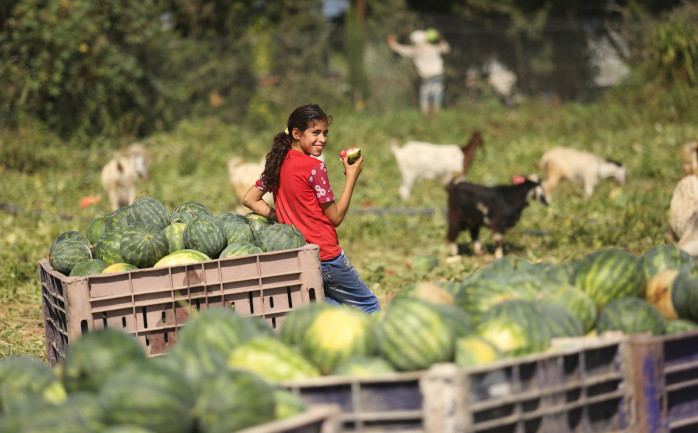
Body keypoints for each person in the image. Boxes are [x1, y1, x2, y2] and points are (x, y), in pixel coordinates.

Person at [242, 104, 381, 313]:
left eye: (325, 133)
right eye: (315, 132)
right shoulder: (315, 167)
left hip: (299, 255)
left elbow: (250, 199)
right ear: (296, 134)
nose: (322, 139)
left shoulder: (277, 162)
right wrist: (352, 177)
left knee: (333, 310)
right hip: (326, 254)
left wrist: (282, 218)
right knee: (369, 306)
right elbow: (336, 217)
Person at [387, 29, 451, 115]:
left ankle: (425, 115)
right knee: (437, 94)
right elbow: (446, 49)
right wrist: (441, 39)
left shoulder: (416, 50)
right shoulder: (433, 47)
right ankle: (436, 114)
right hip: (437, 74)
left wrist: (392, 43)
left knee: (424, 95)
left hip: (425, 76)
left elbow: (401, 49)